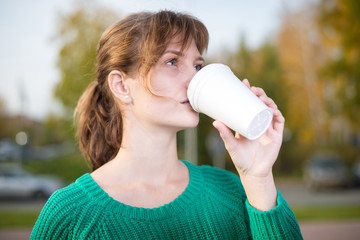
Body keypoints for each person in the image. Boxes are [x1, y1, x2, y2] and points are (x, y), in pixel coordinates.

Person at [31, 10, 303, 239]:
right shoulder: (70, 214)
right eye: (172, 62)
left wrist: (259, 177)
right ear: (121, 86)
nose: (194, 79)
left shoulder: (233, 192)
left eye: (197, 65)